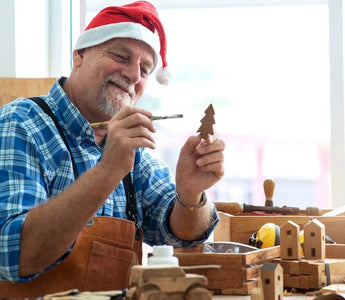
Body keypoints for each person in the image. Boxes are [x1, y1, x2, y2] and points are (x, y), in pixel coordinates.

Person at [0, 1, 225, 298]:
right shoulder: (20, 124)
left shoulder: (133, 150)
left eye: (145, 69)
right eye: (121, 56)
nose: (134, 75)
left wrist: (190, 193)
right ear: (79, 54)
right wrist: (108, 170)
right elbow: (12, 254)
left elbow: (181, 235)